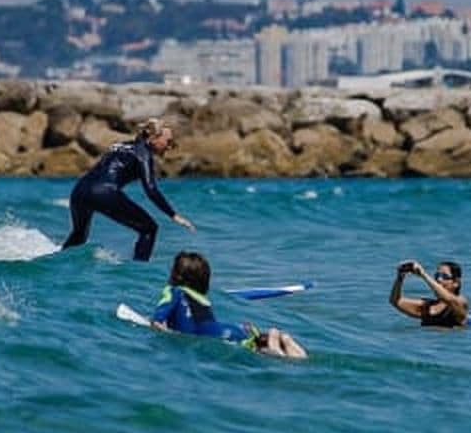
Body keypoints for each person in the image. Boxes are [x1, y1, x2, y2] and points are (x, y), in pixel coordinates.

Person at [62, 118, 195, 261]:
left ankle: (58, 261)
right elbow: (150, 189)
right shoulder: (144, 153)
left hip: (80, 190)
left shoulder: (119, 145)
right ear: (153, 138)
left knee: (79, 234)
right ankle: (139, 271)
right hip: (104, 192)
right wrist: (173, 215)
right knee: (149, 229)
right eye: (168, 142)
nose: (169, 147)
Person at [151, 251, 307, 359]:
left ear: (176, 275)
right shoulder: (203, 299)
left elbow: (158, 320)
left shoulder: (174, 291)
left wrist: (164, 333)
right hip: (234, 331)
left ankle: (275, 350)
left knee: (267, 352)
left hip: (218, 337)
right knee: (275, 337)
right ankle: (282, 342)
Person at [389, 259, 469, 327]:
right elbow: (395, 301)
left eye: (444, 277)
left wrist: (423, 274)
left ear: (456, 282)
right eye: (437, 276)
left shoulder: (460, 303)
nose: (439, 279)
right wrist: (400, 277)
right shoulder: (427, 307)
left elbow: (447, 298)